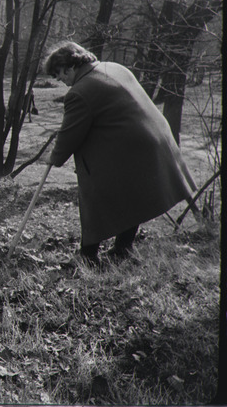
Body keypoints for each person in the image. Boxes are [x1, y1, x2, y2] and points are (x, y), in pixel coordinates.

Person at [44, 41, 197, 266]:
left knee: (94, 191)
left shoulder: (80, 91)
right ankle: (122, 249)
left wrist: (53, 158)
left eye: (59, 75)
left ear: (69, 67)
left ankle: (88, 257)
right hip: (152, 140)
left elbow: (69, 136)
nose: (62, 82)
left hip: (133, 147)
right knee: (130, 195)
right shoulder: (113, 67)